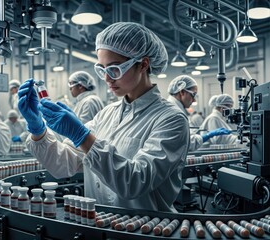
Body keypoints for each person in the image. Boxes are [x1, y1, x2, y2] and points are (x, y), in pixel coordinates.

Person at [19, 22, 190, 212]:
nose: (107, 79)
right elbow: (64, 165)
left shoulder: (171, 119)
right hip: (99, 225)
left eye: (115, 69)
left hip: (146, 228)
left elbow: (134, 182)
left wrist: (82, 136)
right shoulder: (107, 114)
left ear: (143, 64)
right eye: (102, 70)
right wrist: (38, 130)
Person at [167, 75, 232, 151]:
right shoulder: (174, 113)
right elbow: (186, 144)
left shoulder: (172, 108)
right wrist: (207, 136)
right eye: (193, 95)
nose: (194, 100)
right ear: (182, 92)